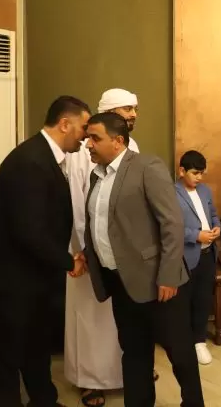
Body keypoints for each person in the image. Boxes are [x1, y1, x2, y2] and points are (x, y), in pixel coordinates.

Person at [0, 96, 91, 407]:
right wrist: (68, 261)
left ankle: (44, 401)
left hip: (28, 276)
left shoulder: (45, 156)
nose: (86, 135)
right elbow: (29, 231)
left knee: (36, 345)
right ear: (65, 124)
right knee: (6, 357)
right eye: (84, 127)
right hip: (5, 278)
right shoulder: (30, 162)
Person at [81, 113, 203, 407]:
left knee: (179, 353)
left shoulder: (147, 166)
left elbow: (171, 223)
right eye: (87, 137)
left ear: (118, 141)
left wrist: (168, 276)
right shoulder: (96, 175)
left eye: (95, 138)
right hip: (120, 282)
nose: (88, 144)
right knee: (134, 353)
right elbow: (101, 224)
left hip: (160, 283)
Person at [64, 88, 141, 406]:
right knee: (90, 316)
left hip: (120, 251)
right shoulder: (84, 149)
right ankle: (89, 381)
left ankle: (124, 373)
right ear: (109, 112)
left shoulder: (132, 146)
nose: (133, 114)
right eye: (127, 109)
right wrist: (85, 249)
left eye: (135, 109)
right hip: (87, 250)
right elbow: (76, 202)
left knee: (119, 316)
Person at [175, 150, 221, 364]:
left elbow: (214, 215)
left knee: (203, 299)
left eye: (202, 173)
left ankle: (199, 341)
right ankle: (184, 342)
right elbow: (170, 227)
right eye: (195, 173)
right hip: (185, 257)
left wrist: (217, 227)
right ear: (182, 171)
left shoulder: (205, 190)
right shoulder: (171, 193)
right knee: (184, 301)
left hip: (208, 254)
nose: (199, 178)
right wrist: (196, 235)